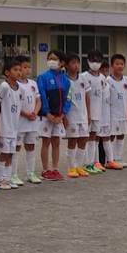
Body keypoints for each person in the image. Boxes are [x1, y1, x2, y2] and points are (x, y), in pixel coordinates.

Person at [37, 50, 71, 181]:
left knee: (56, 142)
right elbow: (42, 95)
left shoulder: (66, 80)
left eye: (54, 59)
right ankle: (45, 170)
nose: (51, 61)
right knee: (46, 142)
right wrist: (47, 113)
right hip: (47, 116)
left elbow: (68, 98)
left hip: (59, 116)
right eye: (49, 58)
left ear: (62, 62)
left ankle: (55, 169)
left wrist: (63, 114)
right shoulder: (43, 77)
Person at [0, 57, 25, 189]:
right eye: (15, 70)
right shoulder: (4, 87)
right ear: (7, 72)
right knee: (4, 153)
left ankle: (7, 178)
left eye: (20, 70)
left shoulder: (21, 89)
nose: (19, 72)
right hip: (4, 126)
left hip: (14, 127)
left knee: (11, 154)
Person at [61, 53, 91, 178]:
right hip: (71, 115)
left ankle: (79, 165)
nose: (76, 65)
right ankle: (71, 167)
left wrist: (89, 114)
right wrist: (64, 117)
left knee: (83, 139)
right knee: (73, 140)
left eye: (77, 63)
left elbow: (87, 97)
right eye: (73, 63)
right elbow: (62, 99)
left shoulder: (83, 79)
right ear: (67, 65)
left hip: (82, 115)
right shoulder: (64, 80)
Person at [81, 52, 108, 174]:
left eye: (98, 60)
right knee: (84, 137)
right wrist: (87, 113)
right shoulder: (84, 76)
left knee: (94, 137)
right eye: (93, 60)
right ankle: (84, 163)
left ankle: (91, 162)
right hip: (86, 113)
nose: (95, 63)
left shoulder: (103, 78)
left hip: (98, 113)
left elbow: (103, 97)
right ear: (88, 61)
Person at [105, 54, 127, 168]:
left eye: (121, 64)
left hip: (123, 112)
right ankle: (110, 159)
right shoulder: (108, 81)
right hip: (112, 113)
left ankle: (118, 158)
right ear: (112, 65)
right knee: (112, 135)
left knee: (121, 135)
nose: (119, 66)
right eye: (117, 64)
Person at [17, 55, 42, 184]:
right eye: (24, 67)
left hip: (32, 121)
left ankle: (30, 173)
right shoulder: (15, 85)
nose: (27, 70)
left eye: (29, 67)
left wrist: (35, 112)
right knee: (16, 147)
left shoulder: (33, 83)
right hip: (20, 121)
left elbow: (38, 100)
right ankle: (12, 174)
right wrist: (25, 114)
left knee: (31, 146)